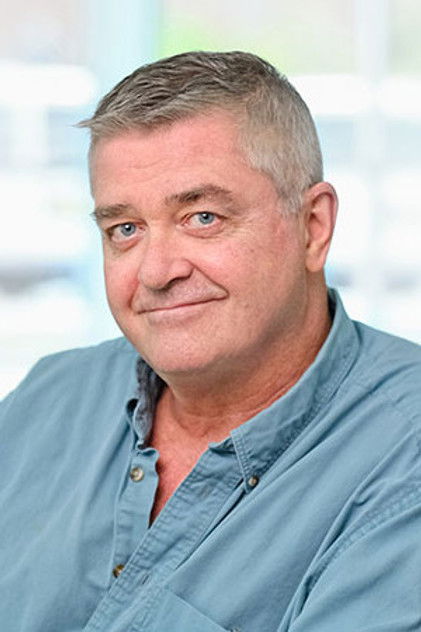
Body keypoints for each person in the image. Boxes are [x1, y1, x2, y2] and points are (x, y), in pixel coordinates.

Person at [1, 51, 420, 632]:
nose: (156, 272)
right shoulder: (49, 398)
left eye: (202, 217)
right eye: (125, 229)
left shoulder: (404, 461)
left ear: (313, 227)